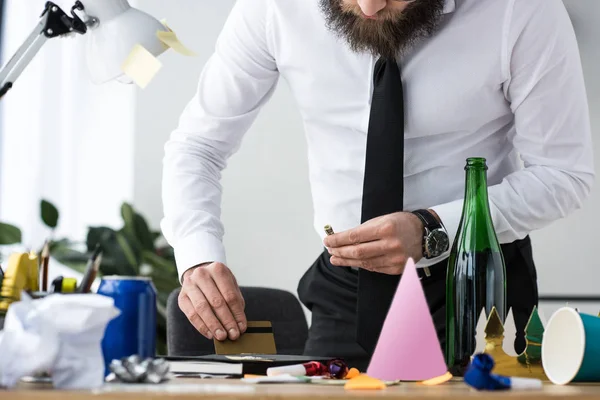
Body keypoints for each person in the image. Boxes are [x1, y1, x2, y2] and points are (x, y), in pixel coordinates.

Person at [161, 0, 594, 370]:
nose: (368, 7)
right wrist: (197, 256)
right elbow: (198, 146)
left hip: (478, 286)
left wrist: (432, 229)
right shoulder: (273, 8)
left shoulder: (521, 10)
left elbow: (564, 174)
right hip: (348, 290)